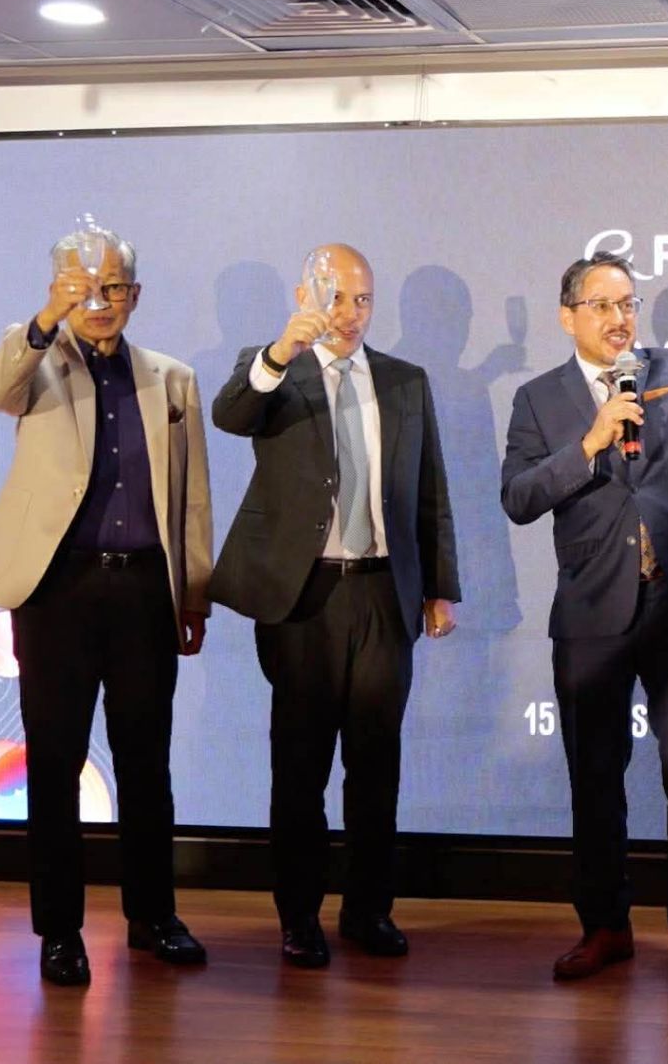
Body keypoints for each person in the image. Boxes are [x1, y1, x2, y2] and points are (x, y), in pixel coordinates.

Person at [499, 251, 668, 987]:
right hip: (592, 609)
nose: (621, 318)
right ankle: (605, 927)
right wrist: (589, 444)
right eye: (604, 305)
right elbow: (519, 498)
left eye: (629, 304)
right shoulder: (538, 399)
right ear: (569, 317)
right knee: (595, 779)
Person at [0, 226, 213, 987]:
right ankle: (59, 932)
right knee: (55, 764)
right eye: (83, 287)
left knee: (145, 762)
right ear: (61, 291)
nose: (99, 301)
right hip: (58, 592)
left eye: (112, 288)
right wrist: (47, 316)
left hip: (143, 589)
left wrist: (193, 590)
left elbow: (191, 496)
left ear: (134, 295)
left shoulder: (172, 378)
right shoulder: (36, 360)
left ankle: (153, 916)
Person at [209, 244, 460, 969]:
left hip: (384, 591)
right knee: (300, 767)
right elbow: (230, 413)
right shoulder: (274, 372)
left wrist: (439, 585)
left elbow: (430, 489)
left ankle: (368, 910)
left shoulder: (405, 380)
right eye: (337, 297)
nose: (351, 314)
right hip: (304, 598)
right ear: (304, 296)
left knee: (376, 767)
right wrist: (280, 350)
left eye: (363, 300)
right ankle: (298, 916)